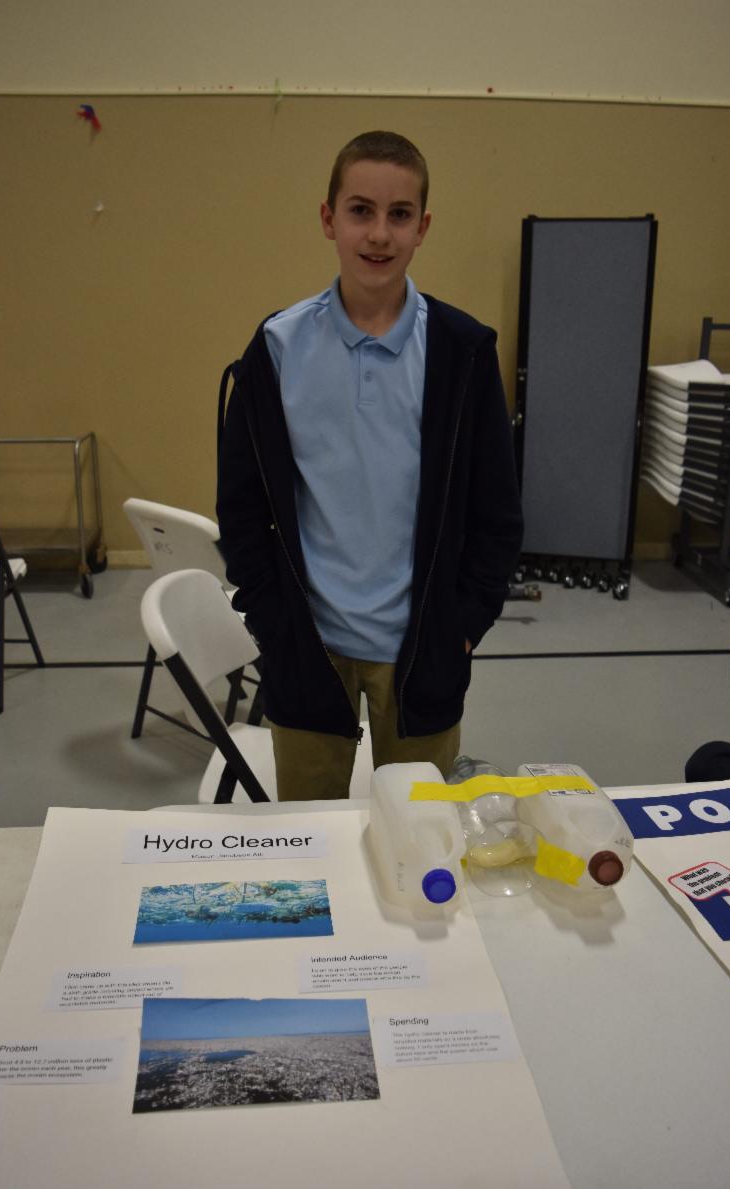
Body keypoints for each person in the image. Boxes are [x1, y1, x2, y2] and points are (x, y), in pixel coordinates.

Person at [217, 130, 523, 800]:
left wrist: (464, 625)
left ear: (423, 228)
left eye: (399, 214)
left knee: (421, 832)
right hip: (308, 649)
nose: (379, 234)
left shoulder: (464, 353)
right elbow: (240, 508)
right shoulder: (276, 348)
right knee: (312, 836)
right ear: (329, 219)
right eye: (361, 211)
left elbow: (497, 512)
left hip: (424, 652)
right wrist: (272, 624)